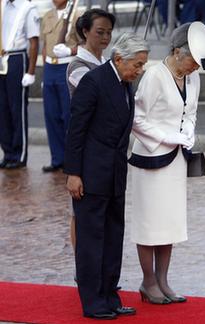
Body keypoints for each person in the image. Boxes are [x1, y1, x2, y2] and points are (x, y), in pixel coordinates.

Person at [128, 22, 205, 304]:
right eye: (193, 61)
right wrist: (167, 137)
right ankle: (148, 281)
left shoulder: (193, 78)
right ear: (178, 52)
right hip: (151, 157)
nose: (196, 67)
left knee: (169, 222)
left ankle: (164, 280)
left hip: (177, 158)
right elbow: (136, 118)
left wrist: (188, 133)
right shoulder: (155, 76)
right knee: (149, 222)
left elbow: (191, 111)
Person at [64, 32, 148, 319]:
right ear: (118, 58)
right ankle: (92, 302)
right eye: (137, 65)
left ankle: (110, 296)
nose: (140, 71)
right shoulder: (94, 81)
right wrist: (73, 173)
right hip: (89, 175)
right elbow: (76, 131)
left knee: (113, 237)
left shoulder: (124, 84)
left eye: (143, 65)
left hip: (114, 176)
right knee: (91, 240)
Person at [66, 8, 115, 256]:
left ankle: (98, 265)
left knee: (103, 211)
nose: (105, 38)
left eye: (108, 32)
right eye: (99, 32)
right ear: (85, 32)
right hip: (84, 143)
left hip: (105, 147)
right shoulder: (76, 65)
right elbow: (97, 92)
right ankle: (81, 265)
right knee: (80, 211)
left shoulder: (107, 64)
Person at [40, 0, 80, 172]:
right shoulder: (47, 16)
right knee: (51, 114)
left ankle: (71, 160)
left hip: (66, 66)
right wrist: (44, 72)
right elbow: (45, 45)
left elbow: (86, 45)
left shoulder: (77, 15)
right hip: (50, 67)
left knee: (67, 114)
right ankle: (57, 158)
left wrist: (70, 51)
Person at [0, 0, 39, 169]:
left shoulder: (27, 8)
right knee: (2, 109)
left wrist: (30, 72)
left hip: (17, 58)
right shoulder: (3, 6)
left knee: (17, 109)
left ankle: (19, 154)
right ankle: (7, 152)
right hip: (2, 58)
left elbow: (33, 42)